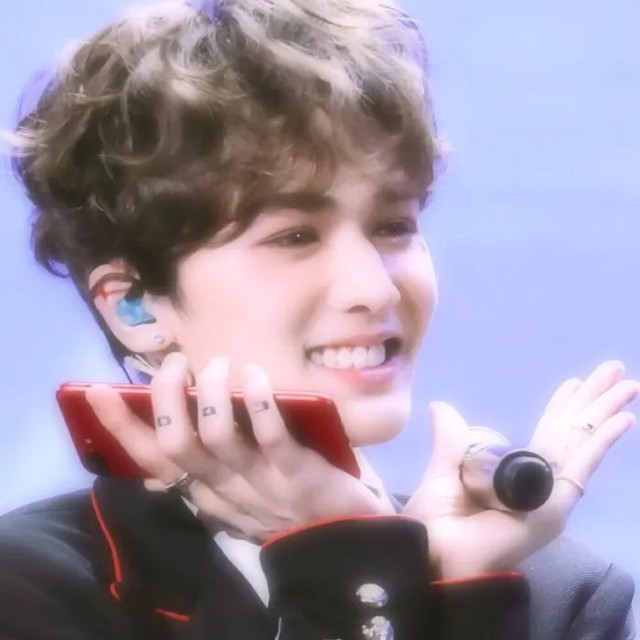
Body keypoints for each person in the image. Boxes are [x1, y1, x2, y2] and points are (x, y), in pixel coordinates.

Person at [1, 0, 638, 638]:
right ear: (135, 306)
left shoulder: (555, 593)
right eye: (295, 236)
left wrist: (454, 587)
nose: (375, 288)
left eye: (394, 226)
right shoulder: (29, 589)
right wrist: (351, 571)